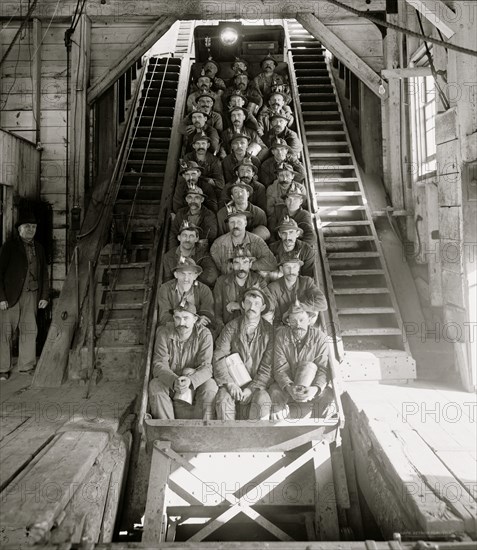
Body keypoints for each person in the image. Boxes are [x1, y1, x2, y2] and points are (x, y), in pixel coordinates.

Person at [149, 300, 218, 419]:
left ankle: (202, 429)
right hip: (171, 382)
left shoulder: (204, 334)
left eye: (186, 318)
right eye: (177, 318)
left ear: (195, 319)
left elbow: (207, 367)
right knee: (155, 384)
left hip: (194, 383)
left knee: (210, 385)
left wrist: (191, 381)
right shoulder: (164, 333)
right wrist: (173, 380)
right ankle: (167, 430)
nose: (181, 323)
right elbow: (159, 364)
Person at [0, 213, 49, 380]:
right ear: (20, 229)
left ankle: (26, 365)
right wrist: (1, 298)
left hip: (32, 295)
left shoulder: (40, 248)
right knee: (5, 331)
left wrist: (44, 296)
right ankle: (3, 368)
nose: (31, 230)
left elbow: (44, 274)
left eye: (34, 227)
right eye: (27, 227)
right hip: (11, 296)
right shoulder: (9, 246)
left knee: (29, 330)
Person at [214, 286, 273, 420]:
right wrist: (229, 383)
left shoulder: (270, 332)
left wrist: (251, 389)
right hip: (233, 383)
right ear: (242, 305)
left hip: (257, 385)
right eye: (248, 303)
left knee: (263, 399)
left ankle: (257, 438)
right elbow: (219, 357)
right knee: (223, 399)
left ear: (263, 307)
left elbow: (267, 367)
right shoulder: (231, 327)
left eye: (256, 303)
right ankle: (227, 439)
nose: (252, 307)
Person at [269, 300, 335, 420]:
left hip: (310, 387)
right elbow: (280, 369)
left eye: (301, 320)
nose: (298, 324)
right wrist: (289, 387)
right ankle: (279, 429)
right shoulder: (281, 336)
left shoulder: (320, 338)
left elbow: (323, 369)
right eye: (293, 320)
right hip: (288, 386)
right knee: (274, 391)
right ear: (288, 322)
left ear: (309, 320)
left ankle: (316, 433)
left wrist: (315, 389)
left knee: (328, 395)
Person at [213, 244, 269, 333]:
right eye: (236, 263)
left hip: (252, 329)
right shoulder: (221, 282)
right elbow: (217, 312)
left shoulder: (258, 280)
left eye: (245, 262)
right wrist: (224, 330)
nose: (241, 267)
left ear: (250, 264)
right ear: (231, 264)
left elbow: (269, 305)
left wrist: (240, 306)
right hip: (228, 329)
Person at [210, 211, 277, 276]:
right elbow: (215, 273)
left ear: (245, 223)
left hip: (252, 283)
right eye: (232, 222)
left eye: (239, 222)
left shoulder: (257, 241)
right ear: (228, 224)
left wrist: (250, 265)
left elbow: (272, 263)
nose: (235, 225)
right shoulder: (218, 245)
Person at [157, 257, 214, 328]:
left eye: (190, 274)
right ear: (176, 275)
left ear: (195, 276)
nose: (186, 278)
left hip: (197, 328)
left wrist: (199, 320)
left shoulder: (204, 290)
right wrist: (183, 323)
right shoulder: (165, 289)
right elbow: (164, 317)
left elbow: (207, 314)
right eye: (182, 274)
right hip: (174, 328)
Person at [267, 256, 326, 325]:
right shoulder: (273, 288)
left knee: (315, 311)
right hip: (285, 326)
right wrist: (289, 313)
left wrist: (301, 307)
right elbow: (273, 316)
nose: (291, 271)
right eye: (287, 267)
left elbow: (323, 303)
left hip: (305, 325)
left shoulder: (306, 282)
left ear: (298, 269)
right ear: (281, 269)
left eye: (295, 267)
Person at [163, 221, 218, 288]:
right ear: (179, 237)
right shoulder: (169, 256)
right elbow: (167, 280)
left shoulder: (202, 254)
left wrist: (191, 284)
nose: (187, 239)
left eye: (191, 236)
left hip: (196, 291)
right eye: (184, 235)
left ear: (196, 239)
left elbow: (212, 275)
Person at [168, 184, 217, 249]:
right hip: (182, 249)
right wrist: (174, 250)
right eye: (190, 197)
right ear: (186, 199)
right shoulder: (180, 213)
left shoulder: (209, 215)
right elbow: (173, 234)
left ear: (202, 200)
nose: (193, 201)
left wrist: (193, 230)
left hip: (200, 250)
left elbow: (211, 235)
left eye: (196, 197)